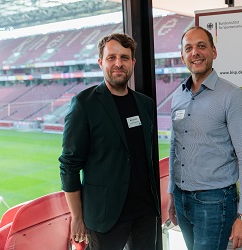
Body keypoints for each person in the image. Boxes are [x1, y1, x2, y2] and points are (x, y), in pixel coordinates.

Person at [59, 33, 160, 250]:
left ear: (132, 62)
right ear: (101, 62)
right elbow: (69, 166)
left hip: (145, 213)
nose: (118, 63)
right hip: (105, 217)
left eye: (124, 58)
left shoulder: (145, 104)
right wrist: (77, 217)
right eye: (111, 58)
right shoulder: (84, 105)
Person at [167, 26, 242, 250]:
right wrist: (172, 195)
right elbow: (175, 147)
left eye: (201, 46)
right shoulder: (178, 96)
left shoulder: (233, 97)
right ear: (182, 56)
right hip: (182, 199)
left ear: (214, 52)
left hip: (215, 202)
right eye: (188, 48)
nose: (195, 53)